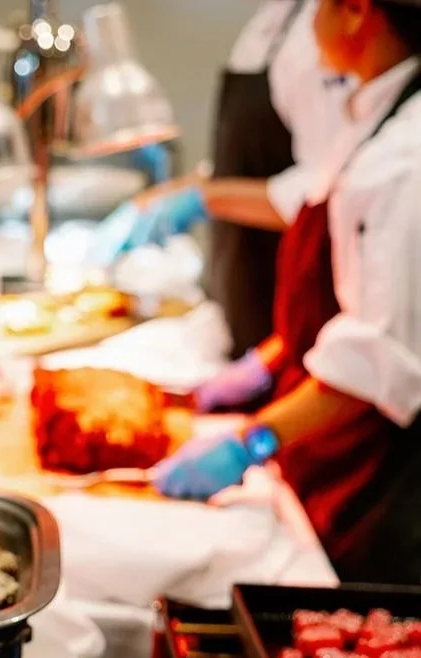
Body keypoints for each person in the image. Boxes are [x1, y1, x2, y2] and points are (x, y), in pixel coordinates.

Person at [153, 0, 421, 587]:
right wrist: (271, 357)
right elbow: (341, 295)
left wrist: (251, 442)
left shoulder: (406, 157)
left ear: (356, 12)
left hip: (377, 492)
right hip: (325, 464)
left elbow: (375, 362)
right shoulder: (371, 115)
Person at [91, 0, 353, 355]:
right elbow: (248, 159)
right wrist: (160, 199)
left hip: (286, 311)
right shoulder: (269, 21)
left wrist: (205, 199)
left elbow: (325, 189)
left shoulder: (323, 30)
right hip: (238, 296)